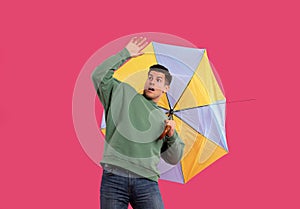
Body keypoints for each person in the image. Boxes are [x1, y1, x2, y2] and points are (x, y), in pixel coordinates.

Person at [91, 37, 185, 209]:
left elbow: (174, 158)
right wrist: (125, 54)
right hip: (114, 177)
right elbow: (98, 75)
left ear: (166, 88)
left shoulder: (164, 120)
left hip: (146, 182)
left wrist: (171, 135)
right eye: (150, 77)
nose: (152, 82)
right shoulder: (123, 92)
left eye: (158, 80)